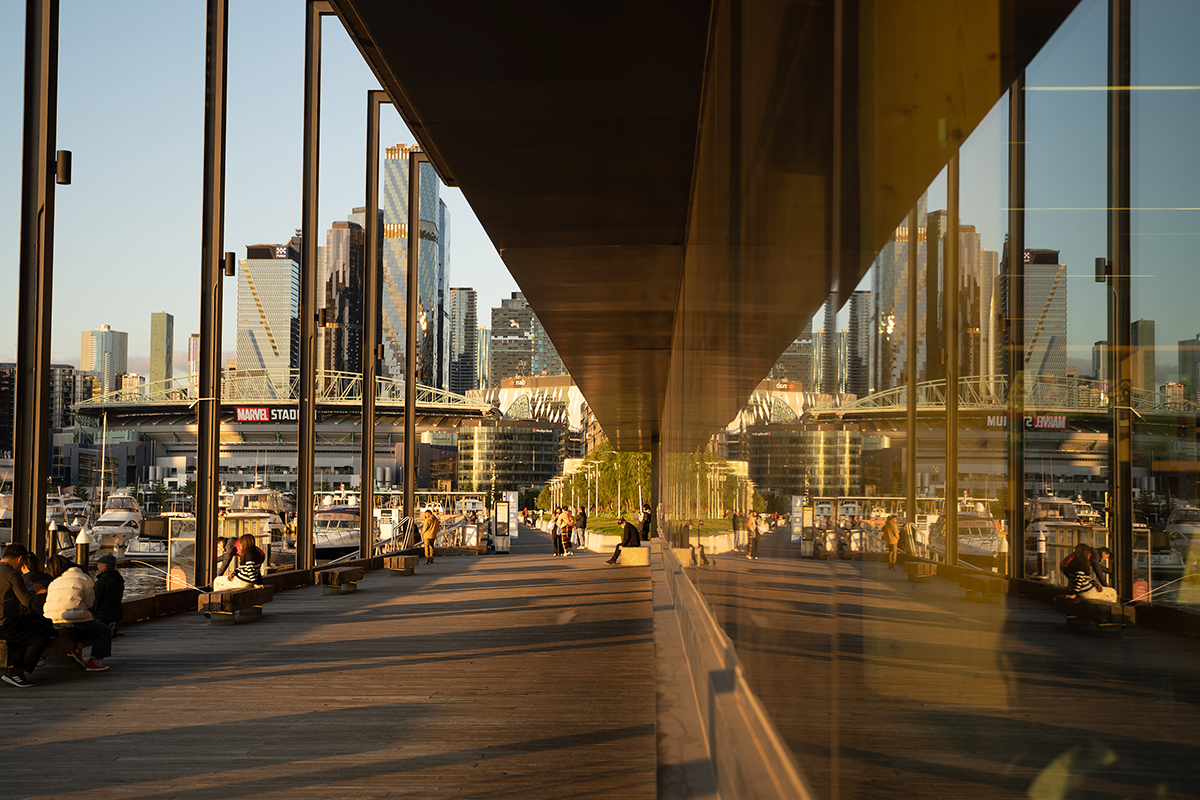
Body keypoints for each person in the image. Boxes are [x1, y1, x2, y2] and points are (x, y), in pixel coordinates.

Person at [43, 555, 111, 672]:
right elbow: (90, 603)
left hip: (52, 619)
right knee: (102, 629)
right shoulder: (85, 578)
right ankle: (95, 661)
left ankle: (77, 650)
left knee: (84, 623)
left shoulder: (55, 581)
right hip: (75, 619)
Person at [0, 544, 52, 687]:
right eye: (23, 562)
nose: (22, 566)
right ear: (19, 559)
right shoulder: (12, 574)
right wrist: (33, 590)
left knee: (32, 626)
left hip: (7, 621)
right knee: (41, 638)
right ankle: (16, 672)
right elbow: (27, 601)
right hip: (5, 623)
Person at [93, 554, 125, 636]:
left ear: (105, 566)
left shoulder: (103, 581)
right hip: (117, 612)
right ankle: (111, 628)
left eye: (99, 564)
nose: (97, 566)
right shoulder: (118, 579)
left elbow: (96, 598)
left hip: (103, 614)